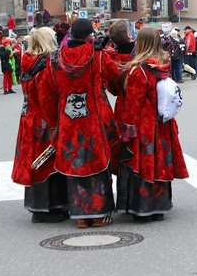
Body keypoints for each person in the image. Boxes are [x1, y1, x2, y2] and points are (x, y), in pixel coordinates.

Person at [48, 18, 120, 228]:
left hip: (69, 118)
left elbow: (51, 88)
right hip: (94, 117)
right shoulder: (97, 56)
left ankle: (80, 215)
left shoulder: (56, 58)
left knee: (75, 162)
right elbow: (114, 75)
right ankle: (99, 214)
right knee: (97, 164)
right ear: (89, 35)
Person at [117, 27, 189, 220]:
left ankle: (143, 208)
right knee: (160, 162)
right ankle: (160, 205)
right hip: (163, 122)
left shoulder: (138, 70)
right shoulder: (163, 64)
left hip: (144, 124)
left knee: (142, 163)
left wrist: (127, 129)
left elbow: (133, 103)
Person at [13, 27, 67, 223]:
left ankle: (37, 205)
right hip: (43, 120)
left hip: (28, 118)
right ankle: (51, 206)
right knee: (48, 163)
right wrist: (56, 125)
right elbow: (47, 100)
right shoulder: (44, 66)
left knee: (36, 162)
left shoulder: (27, 62)